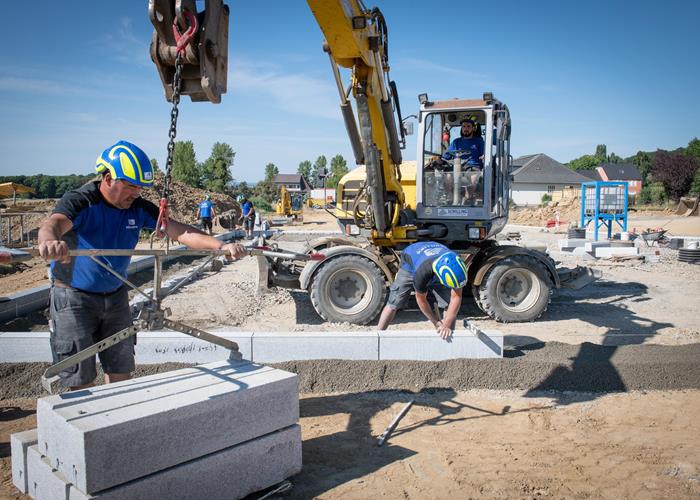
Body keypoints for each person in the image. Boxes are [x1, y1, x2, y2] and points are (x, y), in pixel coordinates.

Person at [37, 140, 247, 390]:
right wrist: (50, 241)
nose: (136, 193)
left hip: (116, 298)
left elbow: (180, 232)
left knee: (121, 369)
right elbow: (54, 223)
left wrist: (219, 246)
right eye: (130, 186)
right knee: (79, 378)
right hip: (74, 298)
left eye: (139, 188)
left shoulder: (137, 208)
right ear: (107, 178)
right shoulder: (82, 201)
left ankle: (119, 421)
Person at [377, 241, 468, 339]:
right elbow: (421, 300)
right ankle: (377, 336)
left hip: (433, 255)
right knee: (394, 302)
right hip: (411, 262)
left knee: (448, 303)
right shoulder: (422, 273)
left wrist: (445, 325)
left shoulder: (456, 266)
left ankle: (448, 339)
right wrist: (436, 322)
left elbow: (456, 297)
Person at [442, 117, 485, 204]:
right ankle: (450, 198)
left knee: (473, 179)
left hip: (472, 166)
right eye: (464, 126)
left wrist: (484, 156)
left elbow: (485, 153)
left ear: (473, 128)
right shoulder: (456, 142)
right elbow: (446, 155)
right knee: (448, 177)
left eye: (468, 126)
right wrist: (441, 158)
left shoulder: (479, 141)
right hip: (457, 166)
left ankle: (466, 199)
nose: (466, 129)